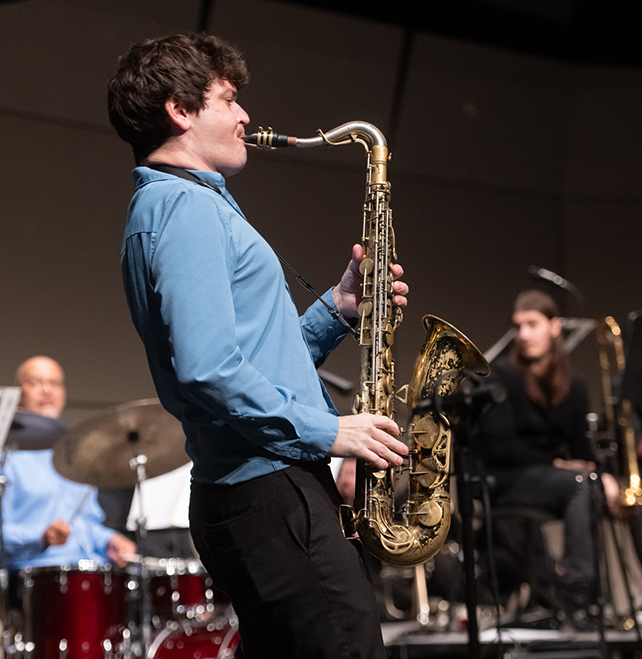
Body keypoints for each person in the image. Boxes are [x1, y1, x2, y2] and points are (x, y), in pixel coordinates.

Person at [107, 33, 409, 658]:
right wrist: (330, 431)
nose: (245, 115)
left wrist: (338, 310)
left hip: (257, 492)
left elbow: (250, 359)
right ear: (180, 110)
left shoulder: (175, 205)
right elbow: (208, 369)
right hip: (268, 492)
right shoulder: (184, 209)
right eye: (228, 99)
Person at [478, 290, 618, 629]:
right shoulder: (502, 378)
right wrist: (557, 465)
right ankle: (576, 593)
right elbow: (500, 446)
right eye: (518, 326)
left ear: (555, 327)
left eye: (532, 324)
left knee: (594, 487)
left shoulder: (574, 383)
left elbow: (580, 449)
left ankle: (586, 596)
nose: (524, 334)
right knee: (580, 486)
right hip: (505, 479)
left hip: (552, 481)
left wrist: (606, 475)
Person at [0, 355, 136, 616]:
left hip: (90, 572)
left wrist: (108, 539)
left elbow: (84, 524)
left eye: (54, 383)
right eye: (36, 382)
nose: (46, 390)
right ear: (19, 392)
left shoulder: (75, 455)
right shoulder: (0, 456)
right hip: (34, 580)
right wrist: (40, 536)